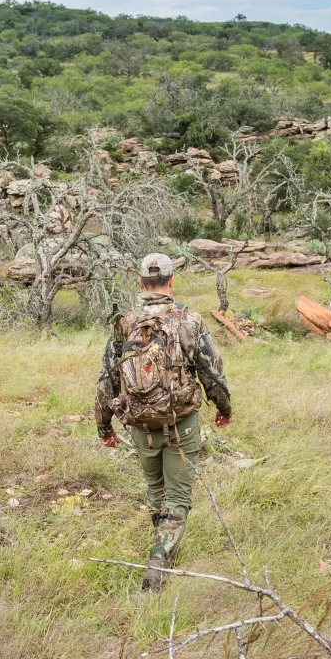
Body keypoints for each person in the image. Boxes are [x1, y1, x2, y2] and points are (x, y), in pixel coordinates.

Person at [95, 253, 232, 591]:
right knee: (179, 495)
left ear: (141, 283)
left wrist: (104, 427)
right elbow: (211, 372)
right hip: (181, 421)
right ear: (171, 282)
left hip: (139, 423)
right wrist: (224, 408)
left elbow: (106, 380)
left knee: (156, 488)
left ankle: (161, 540)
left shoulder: (123, 322)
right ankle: (159, 563)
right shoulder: (189, 320)